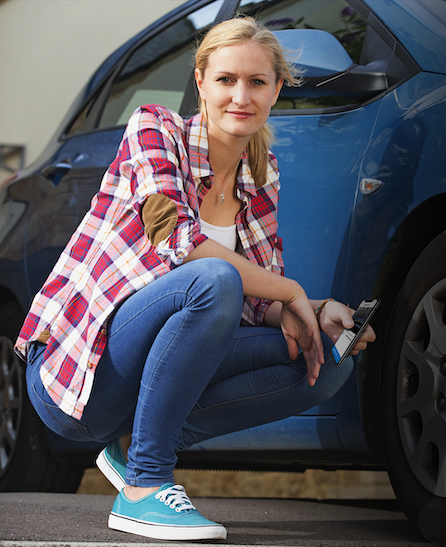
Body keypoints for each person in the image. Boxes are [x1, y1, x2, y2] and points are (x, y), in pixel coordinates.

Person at [15, 17, 375, 542]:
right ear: (201, 81)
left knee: (328, 356)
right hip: (80, 377)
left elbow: (256, 299)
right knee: (212, 280)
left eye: (256, 82)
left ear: (276, 90)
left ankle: (136, 449)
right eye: (226, 79)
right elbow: (178, 244)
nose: (240, 95)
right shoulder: (154, 129)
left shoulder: (263, 174)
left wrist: (317, 310)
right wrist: (293, 292)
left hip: (152, 373)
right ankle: (145, 485)